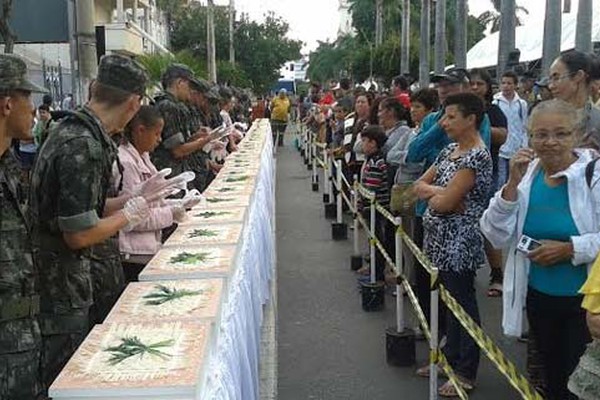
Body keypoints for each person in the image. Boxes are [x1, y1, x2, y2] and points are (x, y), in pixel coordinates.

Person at [30, 54, 176, 387]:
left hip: (68, 280)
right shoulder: (83, 143)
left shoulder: (76, 130)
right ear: (134, 103)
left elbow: (84, 208)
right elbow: (78, 234)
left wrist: (134, 197)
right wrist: (129, 214)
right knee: (69, 380)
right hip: (60, 286)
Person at [480, 99, 599, 400]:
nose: (551, 142)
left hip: (587, 306)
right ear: (529, 137)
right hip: (540, 298)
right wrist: (510, 184)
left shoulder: (593, 176)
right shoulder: (527, 175)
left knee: (583, 385)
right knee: (552, 376)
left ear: (578, 135)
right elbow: (494, 231)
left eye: (561, 133)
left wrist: (571, 249)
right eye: (541, 134)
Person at [415, 93, 493, 397]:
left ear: (470, 119)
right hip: (437, 240)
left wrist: (441, 196)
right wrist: (442, 193)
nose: (443, 122)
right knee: (447, 305)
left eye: (450, 117)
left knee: (463, 306)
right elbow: (420, 185)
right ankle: (447, 359)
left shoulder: (476, 156)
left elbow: (445, 202)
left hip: (459, 243)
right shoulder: (449, 150)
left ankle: (465, 370)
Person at [0, 54, 47, 399]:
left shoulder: (11, 165)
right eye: (27, 98)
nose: (34, 108)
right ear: (7, 103)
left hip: (24, 339)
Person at [116, 106, 200, 282]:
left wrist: (180, 204)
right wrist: (171, 213)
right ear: (140, 130)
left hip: (147, 246)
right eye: (156, 134)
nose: (159, 140)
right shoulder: (127, 163)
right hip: (134, 253)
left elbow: (154, 202)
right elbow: (134, 217)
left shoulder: (143, 156)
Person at [470, 68, 508, 298]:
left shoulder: (493, 111)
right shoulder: (461, 108)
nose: (475, 88)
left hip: (488, 172)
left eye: (479, 84)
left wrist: (479, 126)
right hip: (464, 172)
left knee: (487, 224)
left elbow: (503, 136)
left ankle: (497, 274)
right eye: (471, 84)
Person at [151, 64, 212, 191]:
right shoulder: (169, 106)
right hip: (170, 174)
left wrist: (196, 137)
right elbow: (178, 151)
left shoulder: (165, 103)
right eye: (189, 86)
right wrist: (205, 141)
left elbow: (176, 143)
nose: (190, 91)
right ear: (180, 83)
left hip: (172, 172)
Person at [548, 50, 600, 150]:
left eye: (556, 78)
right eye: (550, 79)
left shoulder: (596, 121)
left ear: (578, 76)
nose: (551, 86)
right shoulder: (543, 117)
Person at [358, 125, 390, 281]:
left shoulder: (376, 163)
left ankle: (377, 275)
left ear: (373, 143)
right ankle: (374, 271)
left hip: (375, 209)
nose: (362, 144)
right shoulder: (372, 160)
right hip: (372, 208)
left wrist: (362, 200)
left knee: (377, 242)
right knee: (374, 240)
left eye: (364, 141)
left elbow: (371, 189)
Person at [493, 71, 528, 189]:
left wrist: (524, 144)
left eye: (509, 83)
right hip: (501, 149)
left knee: (517, 178)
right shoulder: (496, 102)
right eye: (503, 83)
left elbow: (524, 125)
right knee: (501, 181)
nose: (506, 86)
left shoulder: (521, 104)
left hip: (516, 148)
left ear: (515, 85)